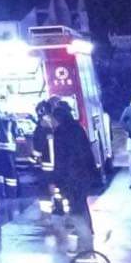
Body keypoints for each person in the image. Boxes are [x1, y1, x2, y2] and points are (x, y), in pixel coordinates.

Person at [50, 100, 100, 252]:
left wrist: (56, 180)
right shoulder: (78, 128)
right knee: (82, 207)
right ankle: (87, 240)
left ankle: (86, 247)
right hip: (83, 176)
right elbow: (87, 153)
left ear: (58, 118)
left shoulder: (60, 133)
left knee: (76, 212)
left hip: (71, 179)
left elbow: (60, 159)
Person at [0, 97, 21, 200]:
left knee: (0, 173)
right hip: (9, 149)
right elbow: (16, 132)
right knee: (11, 174)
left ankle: (2, 194)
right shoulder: (12, 116)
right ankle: (12, 195)